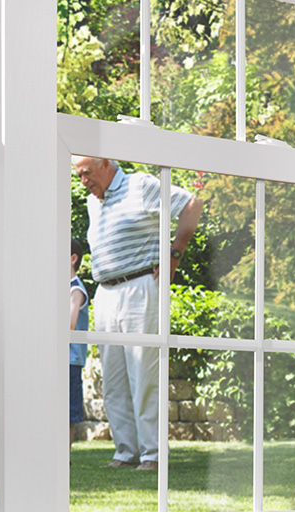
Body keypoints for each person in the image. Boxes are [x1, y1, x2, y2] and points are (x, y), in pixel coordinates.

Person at [71, 156, 203, 471]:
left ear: (105, 164)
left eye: (87, 173)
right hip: (106, 292)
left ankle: (153, 454)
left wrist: (175, 253)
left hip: (140, 285)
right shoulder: (92, 202)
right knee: (113, 380)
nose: (83, 181)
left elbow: (192, 206)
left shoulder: (140, 185)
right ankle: (126, 451)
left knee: (144, 372)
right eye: (79, 175)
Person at [68, 238, 90, 445]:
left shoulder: (76, 290)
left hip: (70, 360)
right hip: (59, 358)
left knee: (68, 413)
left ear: (73, 259)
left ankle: (63, 459)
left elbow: (70, 324)